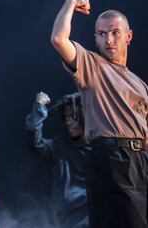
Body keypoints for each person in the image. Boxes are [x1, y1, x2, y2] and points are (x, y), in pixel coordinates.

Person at [51, 0, 148, 227]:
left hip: (140, 162)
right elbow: (58, 39)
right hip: (111, 158)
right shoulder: (91, 64)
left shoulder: (140, 84)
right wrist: (70, 3)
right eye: (102, 34)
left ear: (128, 36)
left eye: (115, 32)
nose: (109, 39)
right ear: (95, 38)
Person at [25, 91, 91, 228]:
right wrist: (39, 108)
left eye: (72, 116)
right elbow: (34, 143)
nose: (68, 121)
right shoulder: (59, 146)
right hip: (66, 218)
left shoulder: (98, 148)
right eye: (65, 117)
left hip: (93, 216)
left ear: (84, 116)